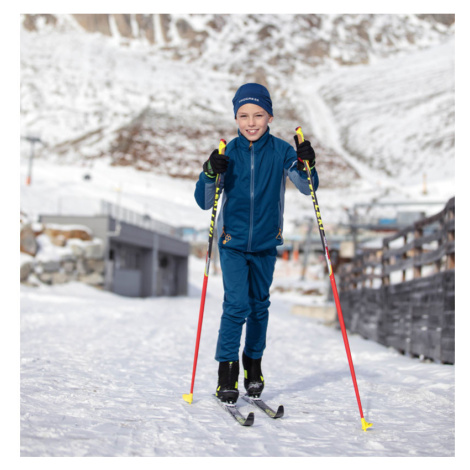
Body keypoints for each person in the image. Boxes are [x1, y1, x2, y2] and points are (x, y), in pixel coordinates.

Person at [194, 83, 318, 403]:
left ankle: (253, 367)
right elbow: (204, 202)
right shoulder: (228, 153)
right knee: (237, 306)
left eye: (258, 115)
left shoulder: (282, 152)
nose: (251, 122)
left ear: (270, 117)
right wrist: (210, 172)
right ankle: (227, 373)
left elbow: (307, 187)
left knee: (259, 307)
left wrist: (307, 163)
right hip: (232, 243)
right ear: (236, 118)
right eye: (244, 115)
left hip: (265, 244)